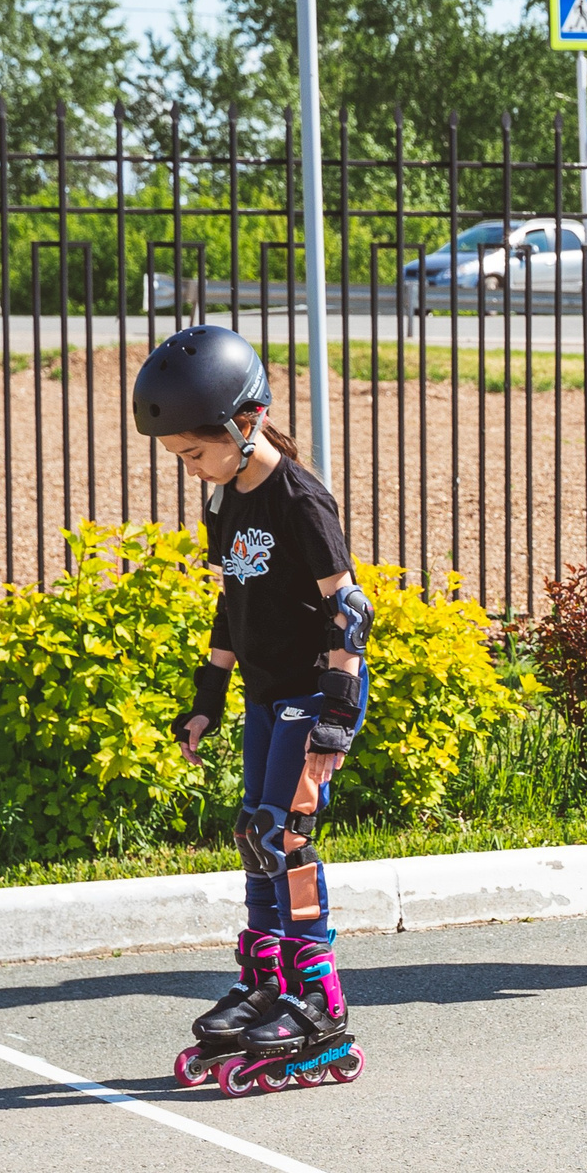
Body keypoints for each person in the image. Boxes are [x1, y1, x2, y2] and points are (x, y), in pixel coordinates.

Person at [145, 325, 372, 1095]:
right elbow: (231, 604)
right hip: (266, 694)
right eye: (180, 457)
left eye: (195, 453)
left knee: (288, 838)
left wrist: (336, 717)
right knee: (255, 836)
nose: (191, 468)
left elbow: (349, 612)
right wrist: (207, 697)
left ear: (246, 422)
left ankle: (319, 996)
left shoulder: (300, 500)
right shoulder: (227, 499)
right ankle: (267, 982)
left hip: (315, 692)